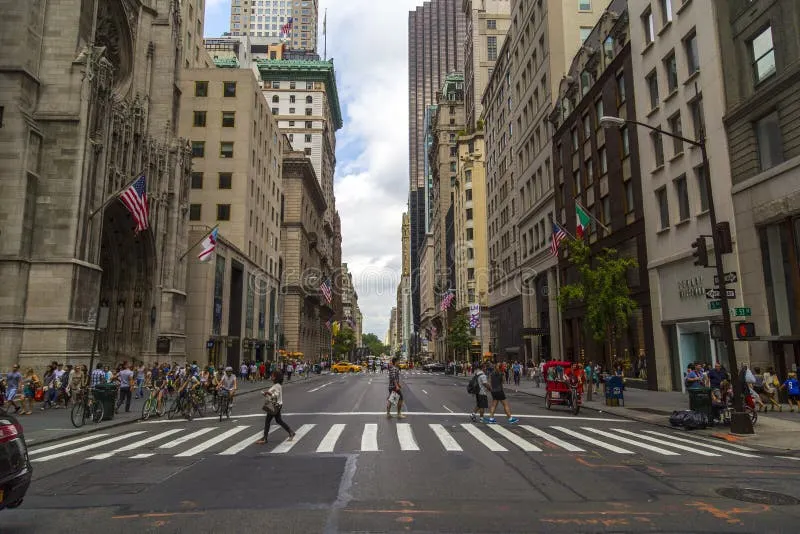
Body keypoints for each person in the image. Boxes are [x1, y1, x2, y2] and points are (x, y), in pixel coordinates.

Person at [256, 371, 295, 445]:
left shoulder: (277, 385)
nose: (271, 377)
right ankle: (291, 432)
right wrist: (265, 394)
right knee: (278, 420)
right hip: (277, 405)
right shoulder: (277, 385)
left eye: (273, 376)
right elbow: (274, 395)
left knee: (267, 421)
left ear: (276, 377)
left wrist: (267, 393)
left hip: (275, 405)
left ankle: (265, 438)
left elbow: (275, 395)